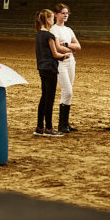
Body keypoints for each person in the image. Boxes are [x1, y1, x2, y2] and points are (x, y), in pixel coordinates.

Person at [34, 9, 68, 137]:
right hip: (50, 69)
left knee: (44, 97)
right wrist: (65, 55)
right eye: (52, 18)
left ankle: (39, 126)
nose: (53, 20)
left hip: (42, 68)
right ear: (47, 19)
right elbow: (55, 54)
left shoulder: (38, 35)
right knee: (50, 99)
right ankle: (49, 127)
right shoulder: (49, 36)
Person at [50, 3, 81, 132]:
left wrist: (67, 45)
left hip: (70, 62)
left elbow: (78, 46)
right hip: (61, 62)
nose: (65, 15)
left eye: (67, 13)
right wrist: (71, 49)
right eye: (63, 13)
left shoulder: (68, 30)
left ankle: (65, 123)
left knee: (68, 91)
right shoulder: (54, 29)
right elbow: (58, 48)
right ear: (56, 14)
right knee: (67, 91)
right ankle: (62, 124)